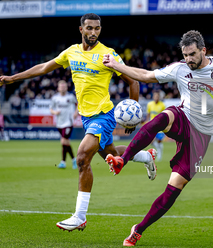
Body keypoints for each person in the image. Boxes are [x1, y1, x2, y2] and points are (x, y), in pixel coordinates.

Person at [0, 13, 157, 232]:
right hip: (86, 117)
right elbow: (44, 67)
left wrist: (133, 111)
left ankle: (79, 216)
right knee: (110, 154)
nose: (94, 32)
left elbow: (133, 81)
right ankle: (145, 156)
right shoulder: (71, 52)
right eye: (89, 28)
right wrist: (12, 78)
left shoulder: (108, 54)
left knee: (82, 157)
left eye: (97, 28)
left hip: (104, 114)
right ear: (81, 29)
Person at [103, 30, 213, 246]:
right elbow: (146, 75)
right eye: (185, 55)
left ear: (203, 50)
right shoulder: (180, 68)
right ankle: (123, 160)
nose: (188, 59)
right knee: (160, 119)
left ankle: (138, 229)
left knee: (174, 189)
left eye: (192, 54)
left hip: (201, 135)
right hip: (183, 117)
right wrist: (116, 66)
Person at [50, 80, 78, 169]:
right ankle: (73, 160)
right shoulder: (55, 98)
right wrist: (55, 112)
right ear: (58, 88)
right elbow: (51, 109)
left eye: (64, 86)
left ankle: (63, 162)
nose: (62, 88)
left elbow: (78, 104)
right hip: (59, 123)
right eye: (61, 86)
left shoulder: (70, 97)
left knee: (63, 141)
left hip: (68, 122)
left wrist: (76, 112)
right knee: (66, 142)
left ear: (66, 87)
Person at [146, 91, 166, 161]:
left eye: (157, 96)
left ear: (159, 97)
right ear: (153, 97)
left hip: (160, 125)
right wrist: (146, 122)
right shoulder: (150, 104)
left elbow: (164, 115)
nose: (156, 98)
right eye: (155, 96)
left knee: (159, 141)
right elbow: (148, 114)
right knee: (151, 141)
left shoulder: (162, 105)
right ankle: (158, 149)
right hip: (152, 125)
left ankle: (159, 154)